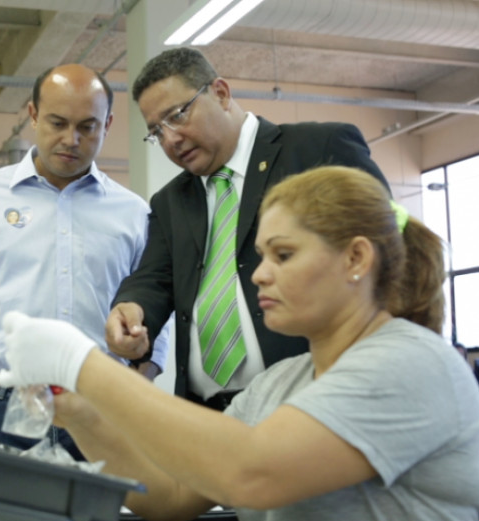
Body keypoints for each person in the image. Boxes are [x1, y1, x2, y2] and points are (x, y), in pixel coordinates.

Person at [0, 166, 479, 521]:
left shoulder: (410, 362)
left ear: (355, 259)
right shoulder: (279, 383)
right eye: (262, 256)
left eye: (283, 255)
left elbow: (253, 472)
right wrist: (79, 412)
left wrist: (82, 364)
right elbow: (172, 494)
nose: (259, 275)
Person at [106, 47, 389, 409]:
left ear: (221, 93)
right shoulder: (170, 202)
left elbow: (391, 252)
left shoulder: (317, 150)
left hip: (312, 399)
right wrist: (131, 308)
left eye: (177, 115)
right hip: (207, 412)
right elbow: (154, 278)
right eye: (157, 132)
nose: (171, 140)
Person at [0, 64, 169, 455]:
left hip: (100, 409)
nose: (71, 139)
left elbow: (157, 323)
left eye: (87, 127)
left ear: (108, 124)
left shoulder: (134, 213)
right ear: (33, 115)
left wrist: (136, 393)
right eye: (57, 123)